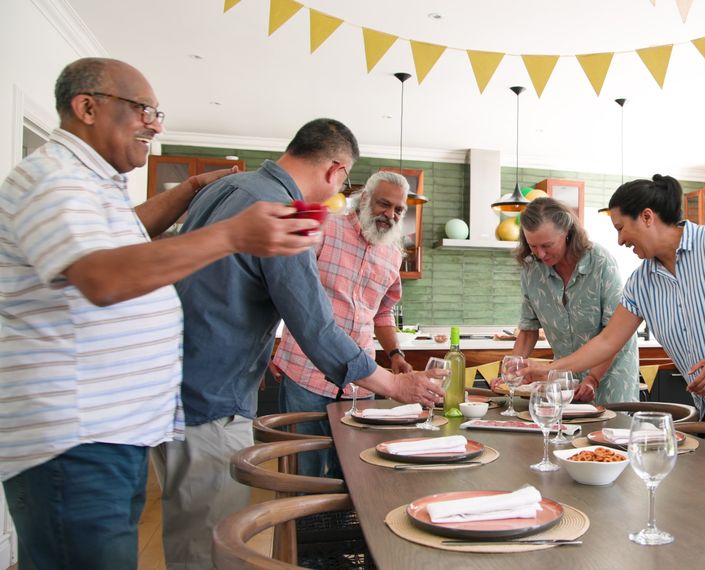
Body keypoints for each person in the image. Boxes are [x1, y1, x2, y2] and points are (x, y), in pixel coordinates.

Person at [0, 57, 318, 570]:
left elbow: (127, 232)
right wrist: (231, 234)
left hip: (110, 432)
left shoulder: (90, 184)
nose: (157, 123)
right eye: (144, 109)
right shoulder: (54, 178)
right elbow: (102, 276)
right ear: (87, 107)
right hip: (75, 438)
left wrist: (191, 192)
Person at [155, 119, 444, 568]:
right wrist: (396, 386)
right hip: (213, 396)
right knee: (212, 542)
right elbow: (314, 324)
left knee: (187, 530)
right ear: (336, 172)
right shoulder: (285, 213)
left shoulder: (223, 189)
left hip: (172, 385)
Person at [523, 175, 705, 458]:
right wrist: (552, 369)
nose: (619, 240)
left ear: (646, 217)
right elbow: (607, 341)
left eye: (621, 228)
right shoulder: (641, 283)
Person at [271, 170, 415, 478]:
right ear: (364, 199)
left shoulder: (392, 253)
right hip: (305, 371)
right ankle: (300, 528)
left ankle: (342, 528)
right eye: (383, 204)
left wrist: (395, 355)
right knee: (302, 473)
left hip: (360, 384)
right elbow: (284, 288)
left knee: (352, 473)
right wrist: (273, 344)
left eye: (398, 210)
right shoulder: (324, 228)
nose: (390, 214)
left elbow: (382, 313)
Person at [508, 197, 638, 404]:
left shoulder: (600, 262)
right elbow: (528, 330)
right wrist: (511, 370)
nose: (540, 254)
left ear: (567, 232)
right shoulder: (531, 270)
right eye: (533, 246)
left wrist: (592, 378)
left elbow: (614, 334)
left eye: (547, 245)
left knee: (608, 433)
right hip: (563, 379)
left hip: (611, 378)